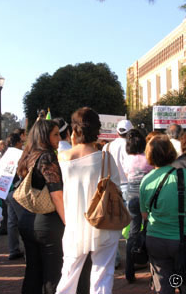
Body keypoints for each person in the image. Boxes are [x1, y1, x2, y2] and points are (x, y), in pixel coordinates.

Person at [56, 107, 122, 294]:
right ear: (97, 131)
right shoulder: (105, 158)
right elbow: (116, 189)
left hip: (74, 225)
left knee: (68, 277)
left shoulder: (62, 158)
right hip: (105, 224)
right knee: (103, 276)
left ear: (74, 131)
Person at [140, 134, 186, 294]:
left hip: (155, 239)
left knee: (163, 287)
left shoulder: (146, 180)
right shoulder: (183, 175)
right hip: (185, 239)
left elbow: (144, 215)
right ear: (171, 152)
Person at [15, 119, 65, 294]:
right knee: (52, 275)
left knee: (33, 272)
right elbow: (56, 193)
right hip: (47, 223)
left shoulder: (28, 155)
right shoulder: (47, 156)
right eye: (56, 134)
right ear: (45, 136)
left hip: (27, 219)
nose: (60, 138)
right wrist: (68, 222)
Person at [122, 129, 153, 283]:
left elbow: (127, 176)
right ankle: (154, 270)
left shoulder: (127, 159)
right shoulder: (148, 159)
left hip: (131, 198)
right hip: (147, 199)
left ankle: (129, 272)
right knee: (150, 232)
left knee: (132, 235)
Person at [102, 119, 132, 201]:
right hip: (127, 186)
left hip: (110, 187)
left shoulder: (106, 146)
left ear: (117, 132)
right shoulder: (131, 147)